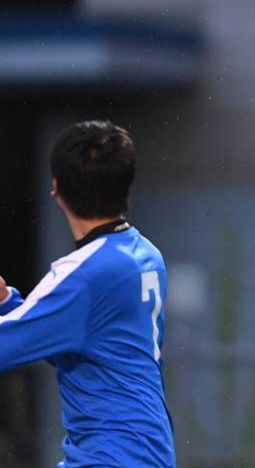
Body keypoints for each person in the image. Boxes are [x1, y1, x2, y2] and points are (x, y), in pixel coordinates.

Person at [0, 120, 175, 467]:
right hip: (149, 452)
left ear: (56, 188)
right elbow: (80, 336)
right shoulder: (146, 256)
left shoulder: (82, 274)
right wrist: (8, 302)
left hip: (108, 456)